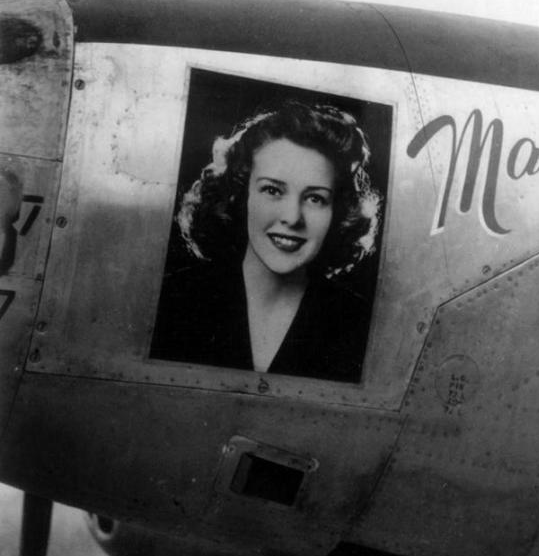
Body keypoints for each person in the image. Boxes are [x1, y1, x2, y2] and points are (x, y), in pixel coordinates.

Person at [150, 101, 382, 382]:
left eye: (315, 198)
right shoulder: (173, 300)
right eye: (272, 190)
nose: (292, 217)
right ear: (240, 194)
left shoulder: (361, 324)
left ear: (339, 212)